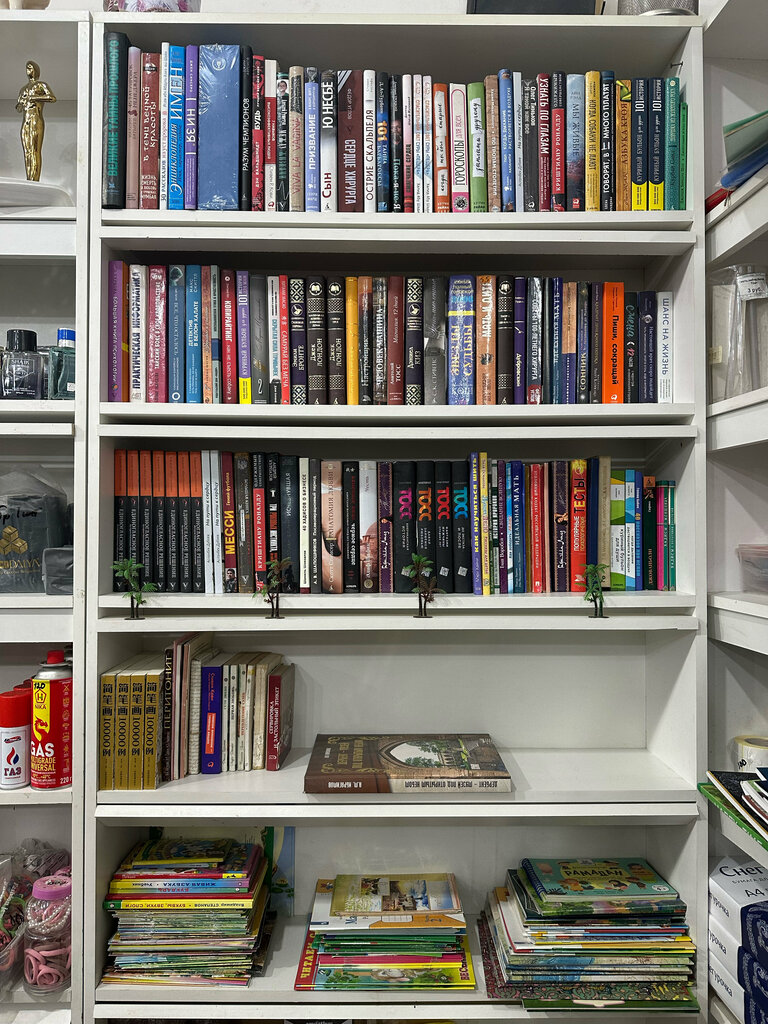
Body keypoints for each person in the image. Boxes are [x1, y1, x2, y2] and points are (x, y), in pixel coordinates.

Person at [16, 61, 56, 182]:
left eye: (30, 68)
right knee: (27, 152)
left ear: (36, 70)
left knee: (35, 151)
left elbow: (52, 98)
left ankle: (35, 180)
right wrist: (21, 103)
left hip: (36, 119)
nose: (28, 71)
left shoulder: (41, 85)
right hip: (25, 121)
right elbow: (18, 108)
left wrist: (34, 97)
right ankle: (29, 179)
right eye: (27, 69)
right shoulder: (23, 89)